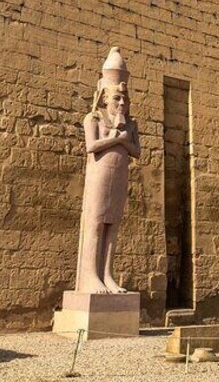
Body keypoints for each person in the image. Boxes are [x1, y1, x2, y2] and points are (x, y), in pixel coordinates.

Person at [75, 47, 141, 294]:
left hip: (120, 174)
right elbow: (91, 146)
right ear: (104, 98)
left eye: (125, 99)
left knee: (112, 224)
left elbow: (136, 151)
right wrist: (116, 139)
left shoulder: (130, 124)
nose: (122, 103)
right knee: (96, 222)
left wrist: (122, 139)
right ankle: (90, 275)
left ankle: (107, 274)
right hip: (100, 175)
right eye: (117, 98)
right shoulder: (94, 119)